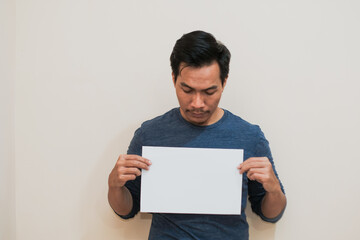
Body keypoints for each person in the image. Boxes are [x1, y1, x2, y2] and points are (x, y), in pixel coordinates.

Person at [108, 30, 286, 240]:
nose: (197, 103)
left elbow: (270, 214)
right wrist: (114, 186)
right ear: (174, 79)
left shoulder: (249, 136)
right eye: (187, 90)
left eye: (209, 92)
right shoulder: (150, 133)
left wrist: (274, 189)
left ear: (224, 82)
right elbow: (127, 209)